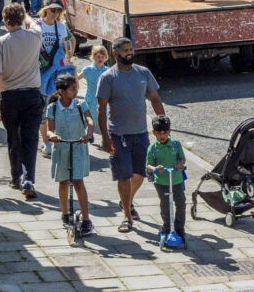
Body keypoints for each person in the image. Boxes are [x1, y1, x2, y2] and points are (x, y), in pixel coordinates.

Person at [96, 37, 166, 233]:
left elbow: (155, 98)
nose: (129, 53)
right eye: (125, 50)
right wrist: (105, 137)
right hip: (118, 135)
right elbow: (101, 109)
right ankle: (127, 216)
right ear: (116, 53)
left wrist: (163, 124)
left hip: (141, 134)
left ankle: (126, 200)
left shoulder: (143, 73)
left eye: (131, 50)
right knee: (124, 176)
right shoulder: (108, 77)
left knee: (140, 174)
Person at [0, 3, 43, 198]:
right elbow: (34, 22)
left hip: (9, 96)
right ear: (21, 19)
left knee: (14, 138)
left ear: (4, 20)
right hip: (32, 95)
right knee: (31, 138)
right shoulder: (35, 36)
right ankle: (29, 179)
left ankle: (15, 177)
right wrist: (25, 16)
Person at [46, 74, 94, 237]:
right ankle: (65, 213)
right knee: (64, 182)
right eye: (73, 89)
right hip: (61, 148)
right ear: (62, 91)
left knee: (79, 182)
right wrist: (52, 135)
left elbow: (90, 121)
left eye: (76, 88)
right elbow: (49, 129)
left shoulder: (81, 104)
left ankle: (86, 219)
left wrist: (88, 134)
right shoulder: (52, 107)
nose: (76, 91)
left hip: (78, 146)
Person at [37, 0, 76, 156]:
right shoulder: (37, 25)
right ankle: (46, 142)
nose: (56, 13)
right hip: (41, 71)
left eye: (59, 10)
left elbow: (72, 39)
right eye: (53, 10)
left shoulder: (61, 26)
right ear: (46, 9)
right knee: (43, 109)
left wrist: (70, 53)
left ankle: (54, 140)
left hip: (58, 71)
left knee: (57, 107)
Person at [145, 114, 187, 248]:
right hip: (161, 182)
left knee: (180, 202)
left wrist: (180, 164)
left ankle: (179, 228)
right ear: (154, 133)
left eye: (165, 133)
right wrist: (156, 168)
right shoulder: (152, 149)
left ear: (169, 132)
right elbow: (148, 165)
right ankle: (167, 227)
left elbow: (182, 159)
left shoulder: (176, 144)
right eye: (159, 133)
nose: (162, 136)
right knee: (165, 204)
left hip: (176, 179)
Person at [78, 45, 109, 141]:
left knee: (102, 118)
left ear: (105, 57)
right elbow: (78, 77)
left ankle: (103, 136)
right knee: (90, 116)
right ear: (93, 57)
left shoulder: (107, 70)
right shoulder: (88, 69)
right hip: (91, 97)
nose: (100, 59)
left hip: (102, 98)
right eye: (98, 56)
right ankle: (90, 134)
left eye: (102, 56)